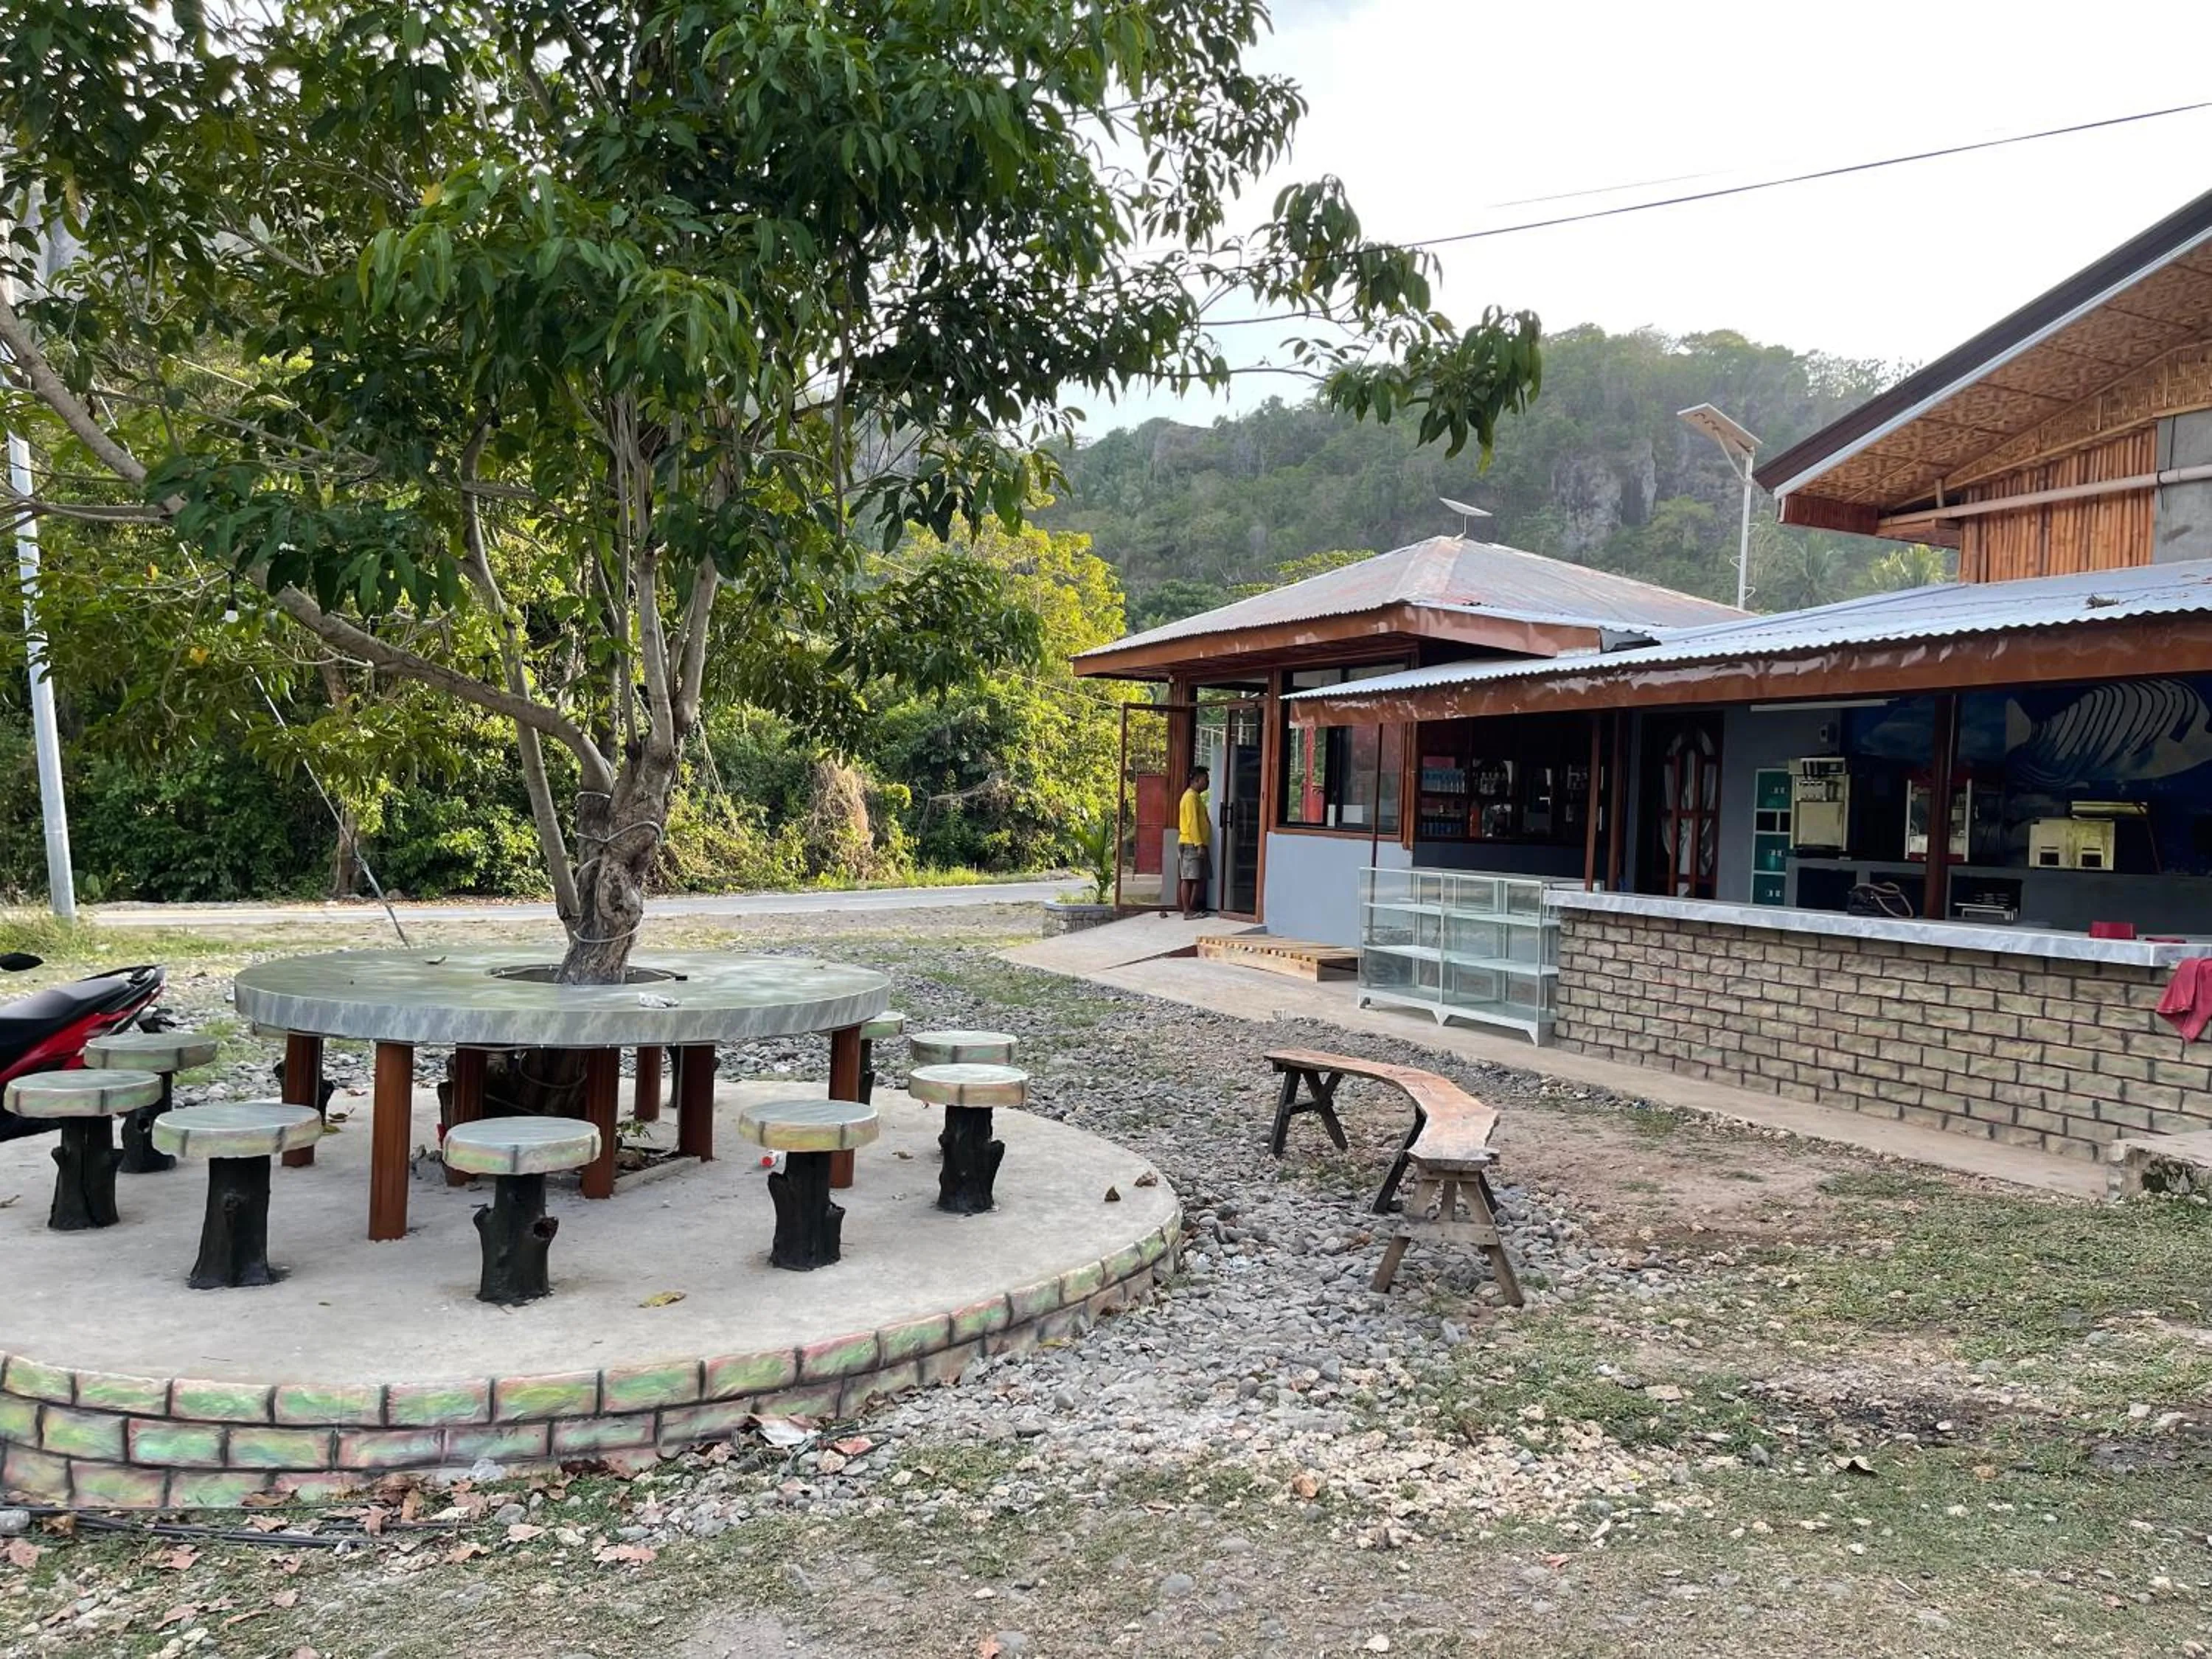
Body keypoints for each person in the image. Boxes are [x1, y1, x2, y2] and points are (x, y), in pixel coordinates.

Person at [1177, 766, 1212, 919]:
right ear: (1197, 780)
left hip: (1197, 843)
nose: (1208, 782)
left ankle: (1192, 908)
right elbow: (1192, 823)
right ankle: (1187, 910)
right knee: (1189, 877)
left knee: (1198, 877)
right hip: (1191, 843)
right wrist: (1198, 844)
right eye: (1206, 779)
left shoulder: (1196, 797)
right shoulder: (1190, 797)